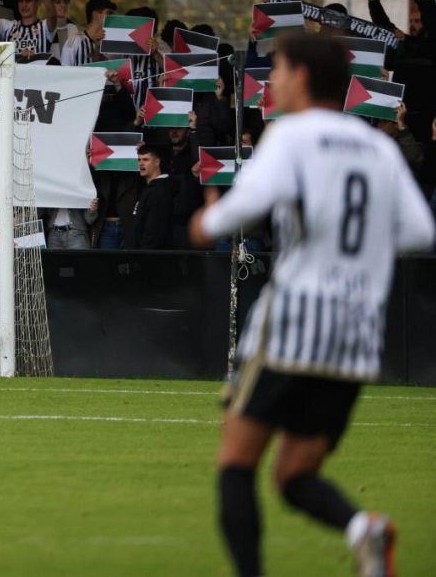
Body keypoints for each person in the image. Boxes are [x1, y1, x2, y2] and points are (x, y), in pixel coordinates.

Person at [190, 33, 434, 577]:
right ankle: (361, 530)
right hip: (355, 337)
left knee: (236, 465)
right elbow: (419, 230)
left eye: (275, 70)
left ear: (300, 75)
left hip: (293, 324)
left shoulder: (292, 135)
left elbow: (240, 210)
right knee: (293, 476)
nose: (270, 82)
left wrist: (204, 220)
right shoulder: (377, 146)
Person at [124, 144, 185, 250]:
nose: (141, 163)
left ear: (157, 162)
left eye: (146, 159)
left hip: (148, 258)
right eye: (139, 160)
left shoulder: (159, 191)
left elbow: (154, 230)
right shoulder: (150, 188)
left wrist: (141, 256)